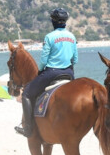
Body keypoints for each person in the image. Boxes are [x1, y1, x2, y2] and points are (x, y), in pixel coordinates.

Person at [14, 8, 78, 137]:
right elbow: (75, 59)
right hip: (69, 73)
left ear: (53, 21)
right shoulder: (72, 36)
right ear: (65, 22)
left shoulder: (49, 37)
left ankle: (28, 128)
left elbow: (44, 60)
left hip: (52, 72)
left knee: (26, 94)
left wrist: (40, 70)